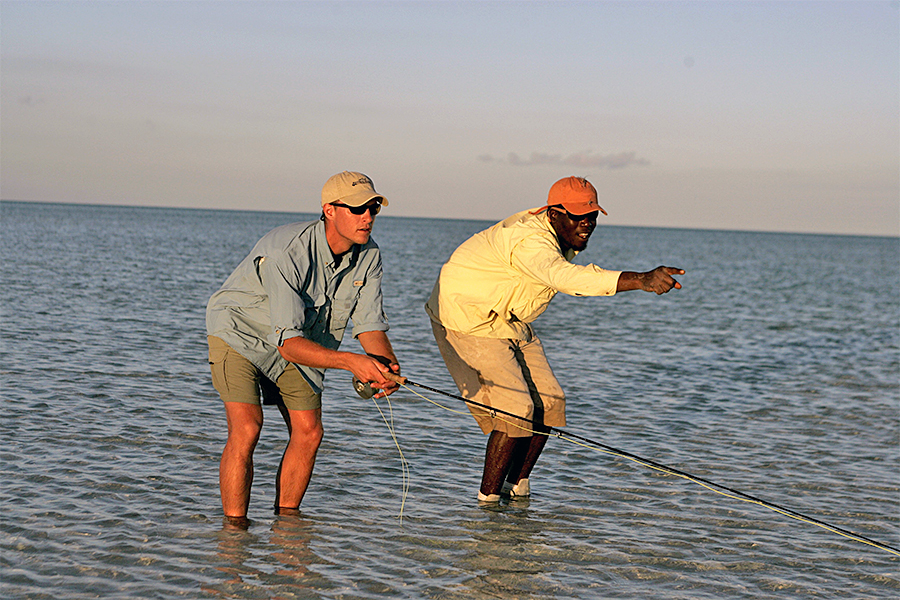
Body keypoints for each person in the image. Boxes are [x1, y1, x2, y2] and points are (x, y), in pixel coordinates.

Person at [425, 176, 683, 502]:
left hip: (508, 318)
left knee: (550, 402)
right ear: (553, 213)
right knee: (516, 409)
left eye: (592, 216)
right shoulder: (531, 242)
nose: (586, 224)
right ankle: (487, 505)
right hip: (467, 317)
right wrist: (641, 280)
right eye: (578, 216)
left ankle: (516, 491)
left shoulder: (562, 235)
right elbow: (565, 277)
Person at [207, 171, 401, 524]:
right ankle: (234, 535)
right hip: (240, 333)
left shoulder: (370, 255)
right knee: (248, 427)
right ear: (329, 210)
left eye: (374, 208)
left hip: (302, 342)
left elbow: (369, 324)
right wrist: (352, 364)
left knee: (310, 431)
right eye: (358, 209)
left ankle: (288, 527)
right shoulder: (287, 251)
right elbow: (287, 344)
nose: (368, 218)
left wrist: (385, 366)